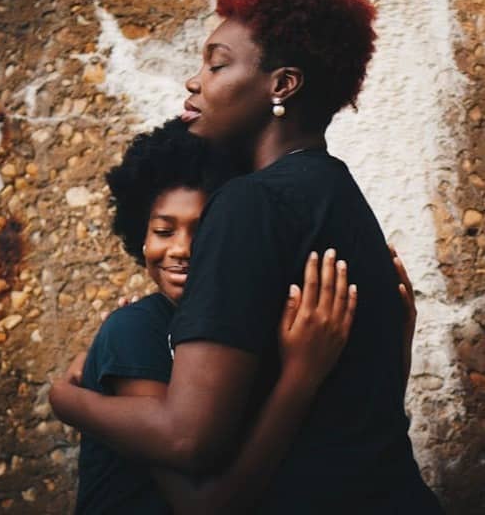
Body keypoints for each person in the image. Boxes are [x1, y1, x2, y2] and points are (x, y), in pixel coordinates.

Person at [50, 0, 444, 513]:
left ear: (282, 85)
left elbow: (189, 439)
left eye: (216, 65)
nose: (195, 81)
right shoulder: (340, 196)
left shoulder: (249, 203)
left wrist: (66, 399)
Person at [73, 118, 357, 514]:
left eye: (204, 230)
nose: (182, 249)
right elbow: (204, 505)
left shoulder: (240, 330)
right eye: (164, 230)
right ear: (140, 235)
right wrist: (301, 376)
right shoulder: (136, 329)